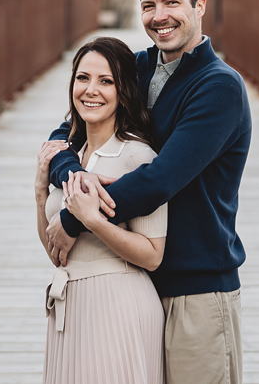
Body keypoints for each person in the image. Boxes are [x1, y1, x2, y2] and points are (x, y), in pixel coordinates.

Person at [42, 0, 252, 384]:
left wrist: (73, 218)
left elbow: (160, 181)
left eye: (172, 3)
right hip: (138, 287)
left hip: (196, 291)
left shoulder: (219, 86)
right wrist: (69, 174)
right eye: (148, 6)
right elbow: (68, 132)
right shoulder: (137, 69)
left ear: (200, 6)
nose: (160, 17)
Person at [35, 36, 168, 384]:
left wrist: (92, 220)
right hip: (70, 304)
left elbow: (153, 256)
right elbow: (55, 251)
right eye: (83, 78)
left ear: (123, 91)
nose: (90, 90)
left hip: (118, 305)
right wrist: (39, 195)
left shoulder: (137, 156)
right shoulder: (70, 155)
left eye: (105, 81)